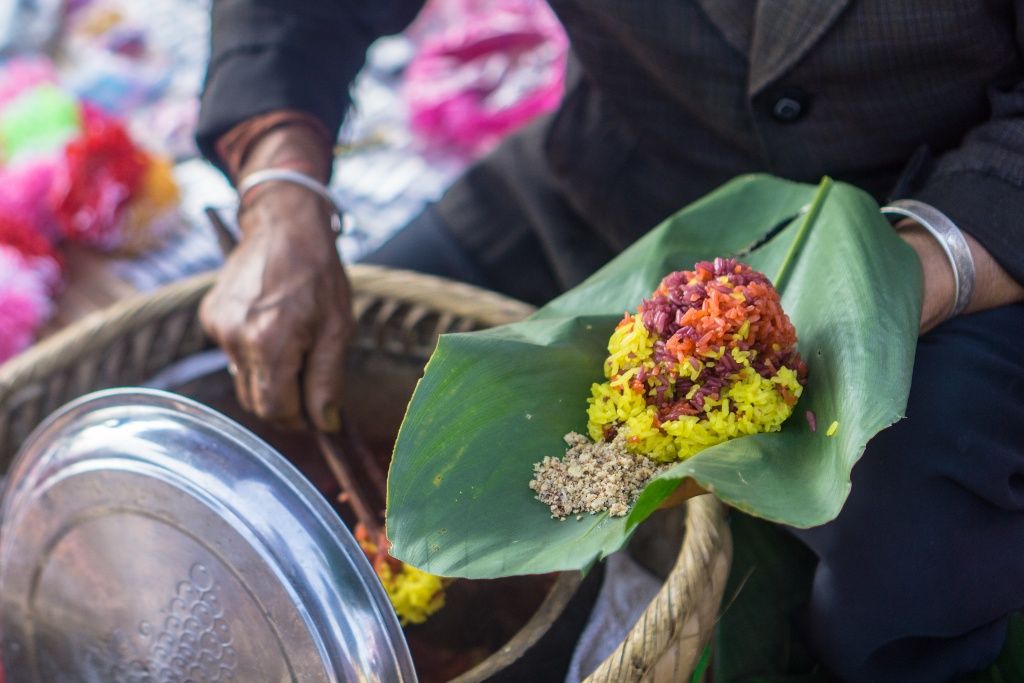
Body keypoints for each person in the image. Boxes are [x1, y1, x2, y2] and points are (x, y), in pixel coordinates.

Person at [196, 2, 1024, 680]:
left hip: (947, 223)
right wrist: (281, 191)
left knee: (913, 517)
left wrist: (891, 281)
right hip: (626, 173)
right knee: (334, 354)